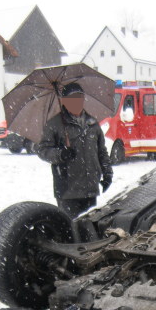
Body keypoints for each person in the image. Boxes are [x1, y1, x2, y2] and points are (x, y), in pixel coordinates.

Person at [37, 83, 113, 218]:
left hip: (90, 188)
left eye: (79, 98)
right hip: (67, 190)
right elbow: (43, 150)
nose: (77, 102)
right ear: (64, 101)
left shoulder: (92, 123)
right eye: (72, 99)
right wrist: (61, 154)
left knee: (90, 228)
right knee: (72, 231)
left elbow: (101, 151)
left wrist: (107, 173)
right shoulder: (54, 124)